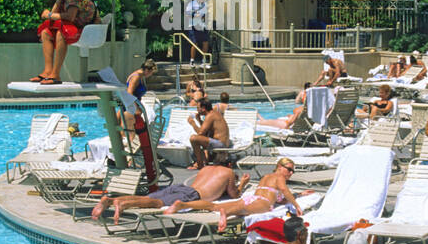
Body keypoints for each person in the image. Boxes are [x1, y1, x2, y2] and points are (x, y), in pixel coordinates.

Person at [166, 157, 302, 232]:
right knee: (243, 209)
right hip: (263, 203)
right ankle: (227, 213)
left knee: (213, 206)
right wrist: (296, 206)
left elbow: (280, 198)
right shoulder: (280, 177)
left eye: (292, 171)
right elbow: (284, 191)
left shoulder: (267, 176)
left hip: (253, 198)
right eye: (289, 169)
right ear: (279, 167)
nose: (290, 173)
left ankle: (182, 205)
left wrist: (298, 195)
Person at [90, 164, 249, 224]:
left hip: (179, 187)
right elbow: (234, 195)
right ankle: (125, 204)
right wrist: (242, 183)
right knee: (157, 204)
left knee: (145, 198)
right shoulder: (228, 173)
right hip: (192, 195)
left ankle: (110, 200)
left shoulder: (207, 168)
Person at [31, 0, 98, 85]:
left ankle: (55, 75)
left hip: (90, 30)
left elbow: (70, 17)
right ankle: (48, 71)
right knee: (46, 32)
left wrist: (49, 14)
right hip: (79, 27)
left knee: (60, 32)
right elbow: (51, 18)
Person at [187, 98, 230, 168]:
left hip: (220, 144)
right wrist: (199, 120)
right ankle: (204, 160)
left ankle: (199, 164)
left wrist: (192, 123)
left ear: (203, 108)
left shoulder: (210, 115)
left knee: (193, 138)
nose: (197, 110)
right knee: (200, 138)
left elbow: (200, 133)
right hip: (222, 143)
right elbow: (205, 131)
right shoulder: (214, 114)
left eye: (198, 108)